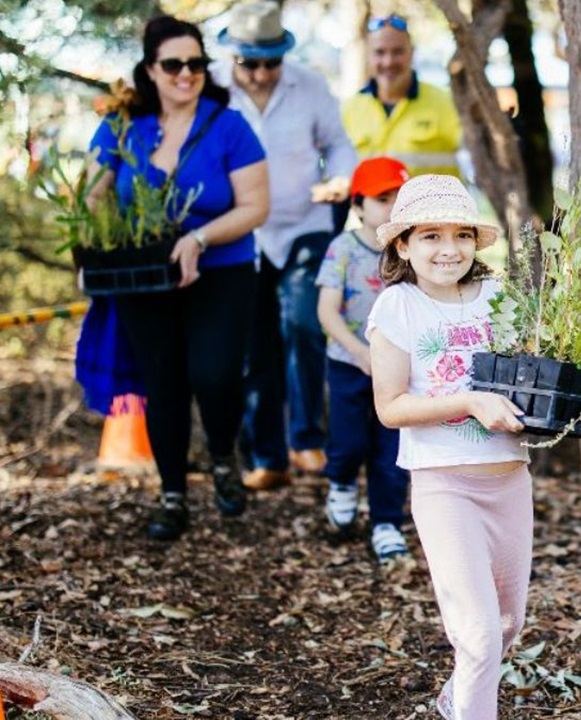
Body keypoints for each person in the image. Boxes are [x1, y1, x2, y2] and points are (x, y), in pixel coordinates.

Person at [85, 15, 269, 540]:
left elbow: (257, 206)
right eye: (173, 64)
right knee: (161, 384)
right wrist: (96, 247)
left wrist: (199, 237)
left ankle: (221, 455)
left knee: (214, 376)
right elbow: (92, 200)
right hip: (145, 278)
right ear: (150, 69)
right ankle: (172, 495)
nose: (185, 73)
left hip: (223, 272)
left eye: (195, 63)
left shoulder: (229, 125)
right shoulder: (123, 125)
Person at [367, 174, 530, 720]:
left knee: (507, 627)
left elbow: (530, 377)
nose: (448, 249)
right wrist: (470, 401)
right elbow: (390, 407)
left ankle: (458, 699)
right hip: (444, 485)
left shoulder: (500, 299)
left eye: (461, 235)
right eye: (431, 236)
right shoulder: (398, 308)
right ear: (403, 245)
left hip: (509, 480)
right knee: (479, 634)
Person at [213, 1, 358, 490]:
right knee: (255, 344)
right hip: (239, 231)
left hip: (304, 223)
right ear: (232, 57)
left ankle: (306, 439)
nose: (259, 74)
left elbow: (338, 143)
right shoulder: (212, 87)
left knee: (303, 324)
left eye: (269, 62)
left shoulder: (310, 84)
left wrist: (341, 177)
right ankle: (267, 457)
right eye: (248, 63)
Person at [315, 156, 412, 562]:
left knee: (393, 448)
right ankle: (340, 484)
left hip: (401, 368)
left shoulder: (411, 249)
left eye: (399, 197)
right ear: (357, 205)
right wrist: (359, 354)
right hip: (349, 362)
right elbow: (326, 311)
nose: (391, 206)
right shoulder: (343, 248)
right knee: (349, 440)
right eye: (381, 198)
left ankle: (386, 522)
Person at [342, 14, 462, 178]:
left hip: (433, 204)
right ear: (368, 56)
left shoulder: (447, 103)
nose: (388, 62)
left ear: (412, 53)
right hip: (370, 204)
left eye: (397, 52)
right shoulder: (348, 110)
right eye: (380, 52)